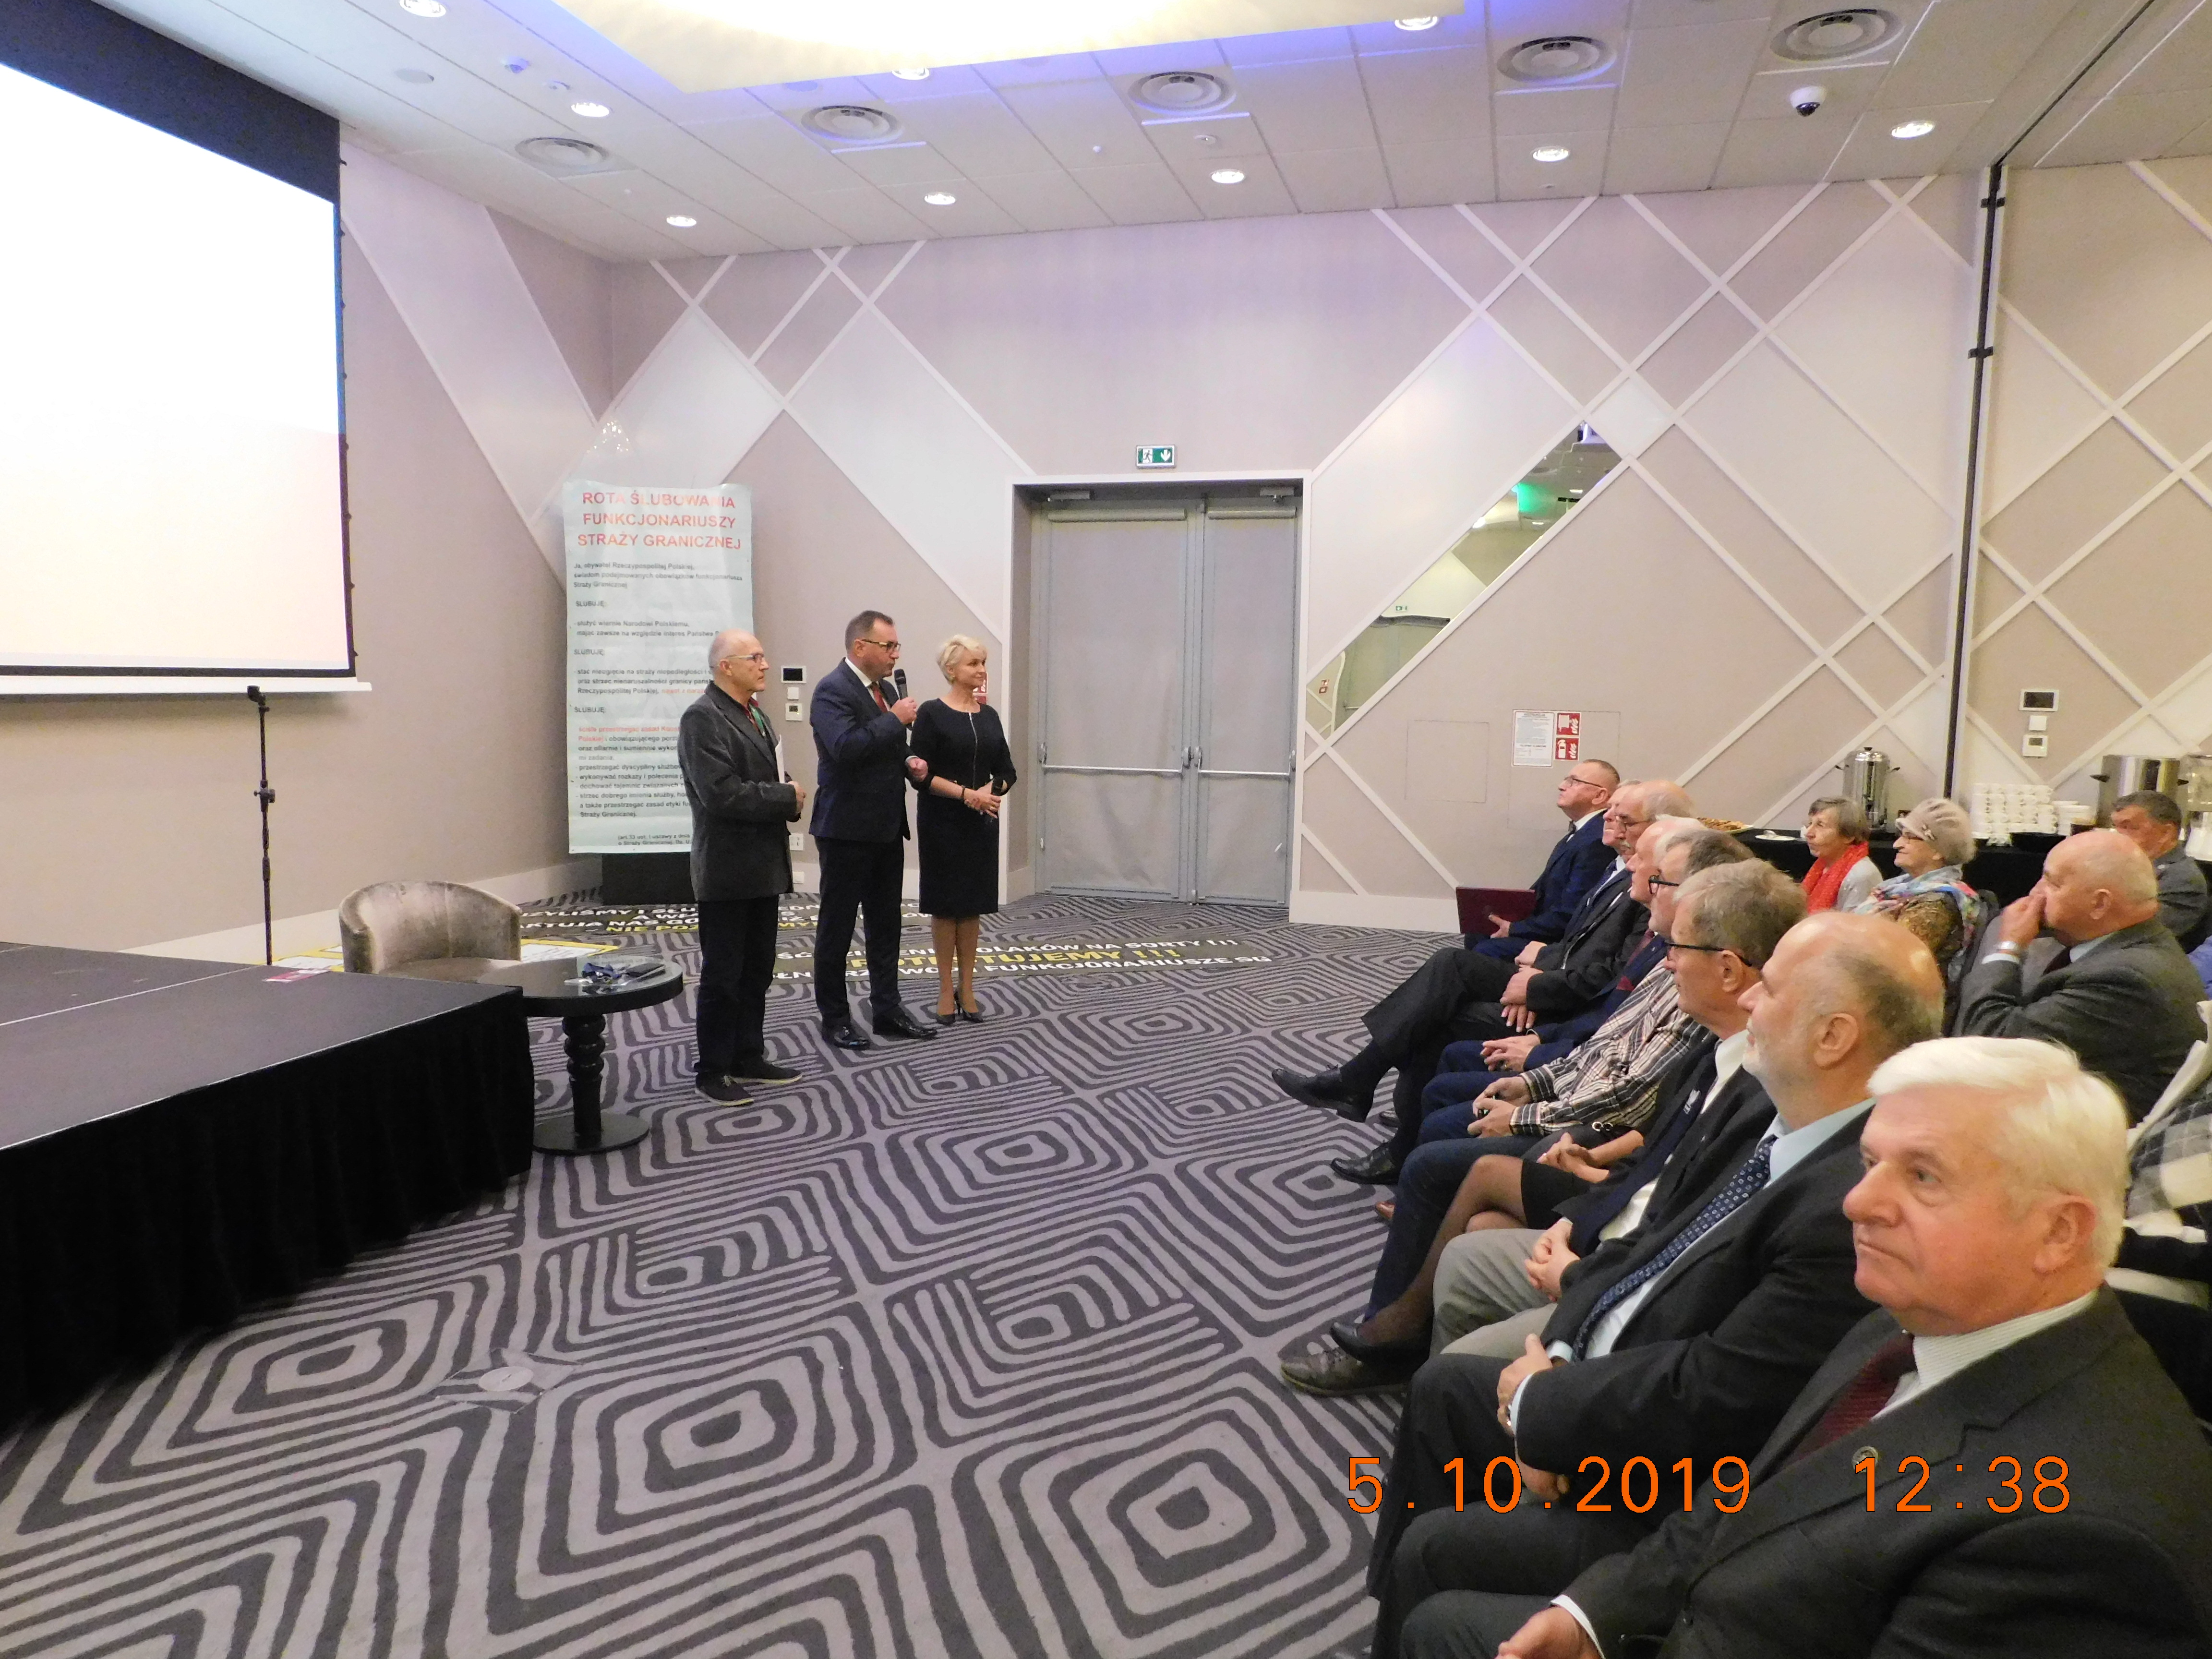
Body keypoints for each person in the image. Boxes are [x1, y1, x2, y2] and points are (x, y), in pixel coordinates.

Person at [1433, 1038, 2212, 1659]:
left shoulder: (2078, 1538)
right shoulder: (1905, 1322)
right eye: (1871, 1164)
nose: (1858, 1202)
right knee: (1436, 1590)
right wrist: (1596, 1615)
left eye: (1923, 1177)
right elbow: (1752, 1500)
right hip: (1694, 1610)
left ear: (2058, 1232)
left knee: (1442, 1612)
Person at [1367, 912, 1947, 1656]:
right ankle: (1393, 1624)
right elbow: (1646, 1240)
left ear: (1833, 1036)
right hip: (1613, 1373)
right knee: (1442, 1390)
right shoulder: (1770, 1106)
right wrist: (1560, 1358)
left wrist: (1549, 1409)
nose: (1748, 999)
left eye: (1770, 989)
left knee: (1436, 1551)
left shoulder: (1853, 1202)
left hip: (1675, 1476)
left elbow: (1718, 1393)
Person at [1279, 827, 1747, 1397]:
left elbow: (1627, 1091)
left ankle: (1392, 1334)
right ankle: (1402, 1324)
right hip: (1588, 1115)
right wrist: (1533, 1080)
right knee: (1447, 1028)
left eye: (1657, 876)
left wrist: (1532, 1098)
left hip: (1596, 1139)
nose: (1638, 873)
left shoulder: (1702, 998)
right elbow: (1607, 1051)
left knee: (1442, 1149)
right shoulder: (1681, 969)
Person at [1347, 861, 1804, 1376]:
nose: (1669, 960)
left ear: (1729, 969)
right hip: (1611, 1192)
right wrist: (1580, 1166)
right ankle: (1412, 1346)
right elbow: (1642, 1117)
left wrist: (1578, 1261)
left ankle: (1406, 1344)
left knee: (1451, 1170)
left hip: (1628, 1262)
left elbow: (1674, 1205)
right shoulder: (1718, 1054)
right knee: (1469, 1201)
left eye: (1679, 947)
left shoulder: (1759, 1081)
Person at [1273, 782, 1685, 1165]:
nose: (1610, 820)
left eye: (1624, 817)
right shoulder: (1623, 872)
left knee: (1441, 1011)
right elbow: (1578, 942)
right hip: (1558, 978)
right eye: (1612, 812)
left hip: (1569, 1007)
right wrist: (1537, 965)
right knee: (1448, 974)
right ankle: (1374, 1095)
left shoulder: (1648, 897)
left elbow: (1608, 980)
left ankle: (1385, 1119)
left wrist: (1536, 987)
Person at [1956, 828, 2203, 1121]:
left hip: (2103, 1141)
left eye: (2052, 883)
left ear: (2100, 904)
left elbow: (1990, 1045)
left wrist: (2008, 947)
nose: (2035, 893)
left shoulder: (2125, 979)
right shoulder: (2132, 949)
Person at [678, 629, 806, 1103]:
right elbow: (721, 794)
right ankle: (713, 1070)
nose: (765, 664)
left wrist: (787, 791)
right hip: (727, 869)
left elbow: (768, 774)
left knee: (757, 971)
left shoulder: (756, 714)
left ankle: (748, 1055)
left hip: (763, 866)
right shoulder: (701, 718)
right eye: (755, 657)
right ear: (726, 666)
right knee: (724, 976)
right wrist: (785, 796)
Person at [808, 609, 938, 1050]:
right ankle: (835, 1017)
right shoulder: (832, 690)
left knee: (886, 925)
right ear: (860, 646)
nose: (895, 654)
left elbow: (887, 749)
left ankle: (887, 1009)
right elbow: (845, 748)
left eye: (897, 646)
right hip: (845, 829)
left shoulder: (885, 690)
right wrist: (895, 720)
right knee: (837, 928)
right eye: (889, 646)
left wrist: (909, 761)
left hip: (885, 827)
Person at [910, 635, 1016, 1024]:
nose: (982, 670)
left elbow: (1007, 771)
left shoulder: (990, 716)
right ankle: (943, 988)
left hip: (980, 825)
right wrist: (968, 795)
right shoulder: (931, 713)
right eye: (974, 663)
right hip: (942, 822)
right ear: (951, 670)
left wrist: (990, 793)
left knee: (972, 908)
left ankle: (967, 987)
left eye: (983, 663)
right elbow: (920, 777)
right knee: (945, 908)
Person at [1471, 762, 1620, 958]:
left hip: (1560, 940)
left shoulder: (1596, 840)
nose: (1562, 786)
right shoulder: (1582, 832)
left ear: (1599, 795)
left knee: (1485, 949)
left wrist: (1515, 929)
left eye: (1574, 781)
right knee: (1478, 933)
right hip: (1550, 924)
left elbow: (1572, 912)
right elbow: (1541, 892)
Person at [1851, 796, 1981, 982]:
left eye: (1910, 837)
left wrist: (1870, 928)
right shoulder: (1898, 888)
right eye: (1901, 835)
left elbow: (1890, 964)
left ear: (1938, 851)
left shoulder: (1937, 905)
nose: (1897, 844)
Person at [2112, 787, 2210, 949]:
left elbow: (2133, 933)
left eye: (2130, 828)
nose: (2118, 837)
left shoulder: (2183, 879)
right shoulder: (2123, 864)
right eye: (2117, 828)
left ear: (2166, 833)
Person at [1799, 795, 1875, 913]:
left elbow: (1853, 923)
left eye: (1820, 825)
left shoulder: (1861, 876)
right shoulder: (1823, 865)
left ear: (1848, 836)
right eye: (1810, 823)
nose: (1808, 833)